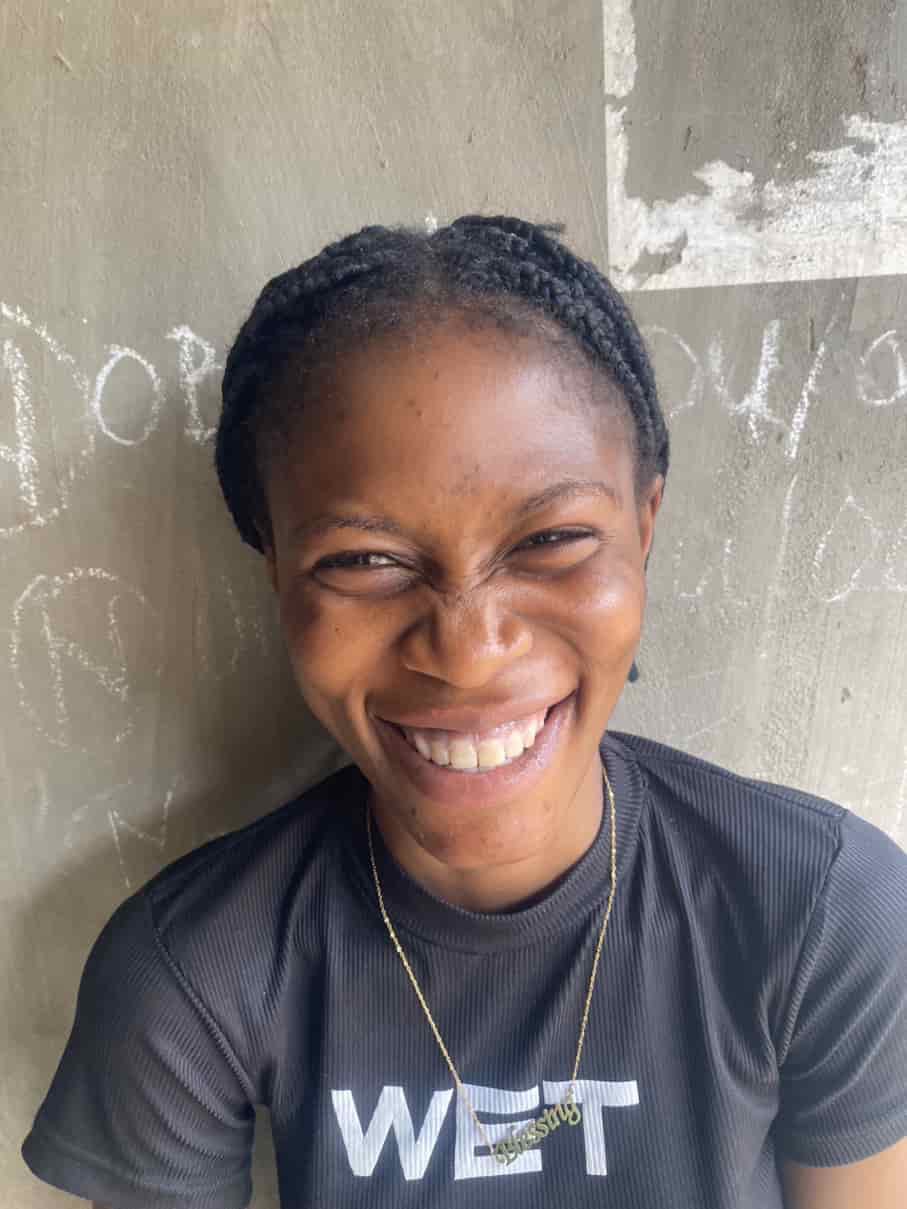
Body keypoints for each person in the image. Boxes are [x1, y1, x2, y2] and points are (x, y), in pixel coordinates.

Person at [21, 216, 907, 1208]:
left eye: (551, 540)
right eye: (364, 559)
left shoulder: (822, 909)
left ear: (643, 527)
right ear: (275, 568)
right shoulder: (193, 971)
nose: (466, 649)